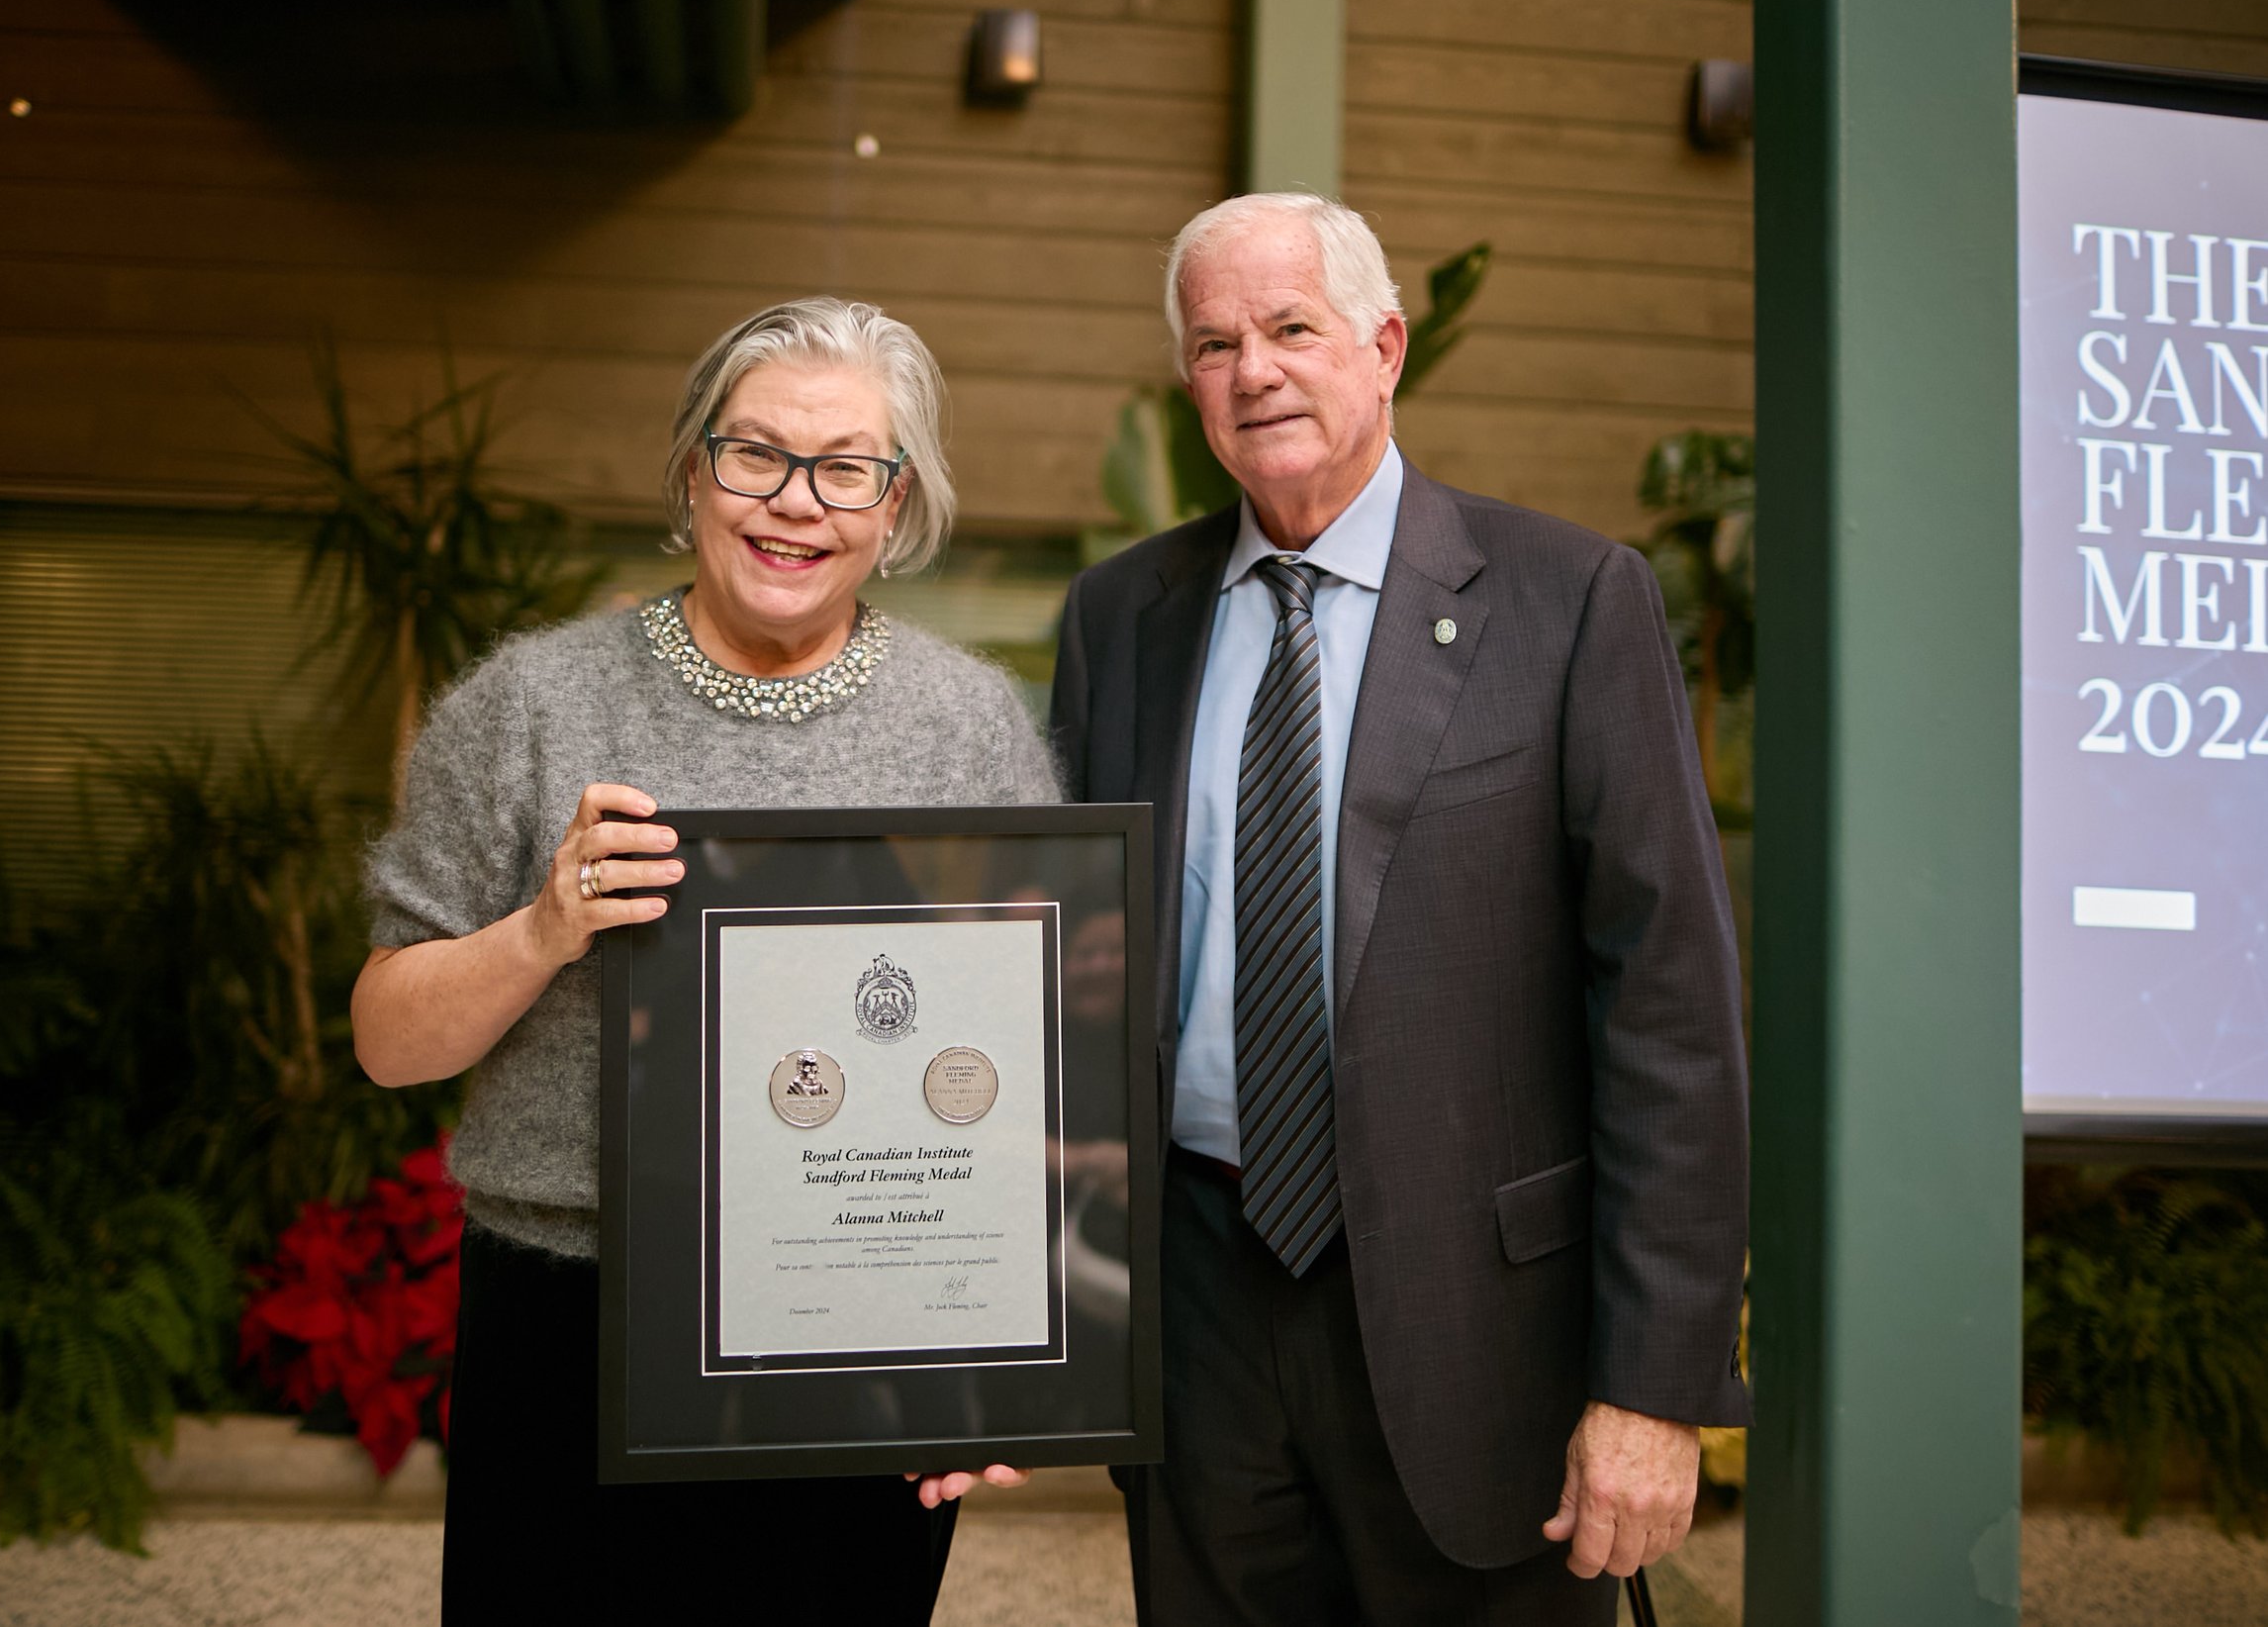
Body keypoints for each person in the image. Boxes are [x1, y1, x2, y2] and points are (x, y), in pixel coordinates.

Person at [1049, 194, 1750, 1624]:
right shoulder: (1121, 617)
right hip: (1197, 1312)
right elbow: (1063, 975)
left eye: (1291, 329)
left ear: (1383, 348)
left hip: (1482, 1326)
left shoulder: (1569, 601)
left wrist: (1653, 1386)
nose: (1253, 371)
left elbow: (1669, 1008)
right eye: (1214, 345)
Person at [352, 296, 1056, 1621]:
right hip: (569, 1316)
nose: (797, 501)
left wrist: (998, 1359)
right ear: (692, 471)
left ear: (896, 508)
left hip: (865, 1316)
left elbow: (1025, 1063)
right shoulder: (528, 705)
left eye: (846, 468)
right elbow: (388, 1042)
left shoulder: (968, 725)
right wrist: (543, 928)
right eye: (757, 454)